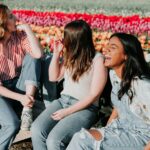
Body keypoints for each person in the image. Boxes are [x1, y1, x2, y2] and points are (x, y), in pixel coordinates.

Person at [31, 19, 107, 150]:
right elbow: (53, 77)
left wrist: (67, 112)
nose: (63, 39)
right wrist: (56, 54)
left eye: (66, 36)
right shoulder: (71, 56)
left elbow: (94, 95)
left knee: (54, 140)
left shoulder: (98, 59)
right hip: (63, 101)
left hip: (86, 107)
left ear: (75, 40)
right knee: (37, 130)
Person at [67, 33, 150, 150]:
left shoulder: (142, 85)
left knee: (82, 140)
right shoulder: (115, 77)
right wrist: (106, 130)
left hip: (142, 136)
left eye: (113, 47)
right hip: (121, 128)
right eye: (107, 46)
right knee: (81, 137)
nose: (105, 50)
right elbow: (119, 107)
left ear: (126, 55)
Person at [0, 4, 43, 150]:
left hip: (19, 85)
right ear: (3, 23)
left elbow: (38, 55)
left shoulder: (19, 36)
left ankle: (27, 110)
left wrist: (29, 31)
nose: (16, 18)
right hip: (2, 92)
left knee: (31, 58)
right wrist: (20, 98)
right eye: (11, 17)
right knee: (11, 124)